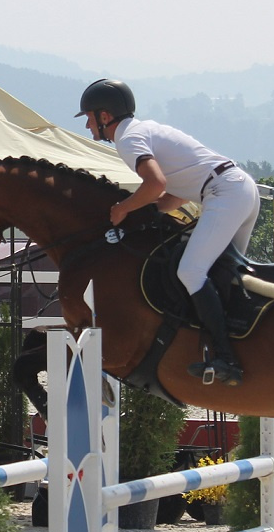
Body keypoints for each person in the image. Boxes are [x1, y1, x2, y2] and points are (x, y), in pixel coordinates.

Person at [76, 78, 259, 387]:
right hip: (238, 189)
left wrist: (123, 209)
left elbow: (155, 184)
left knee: (190, 271)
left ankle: (226, 358)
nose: (87, 126)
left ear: (105, 116)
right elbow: (172, 194)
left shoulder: (127, 140)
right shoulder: (145, 129)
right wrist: (147, 210)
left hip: (224, 193)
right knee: (223, 272)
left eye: (89, 118)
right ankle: (238, 341)